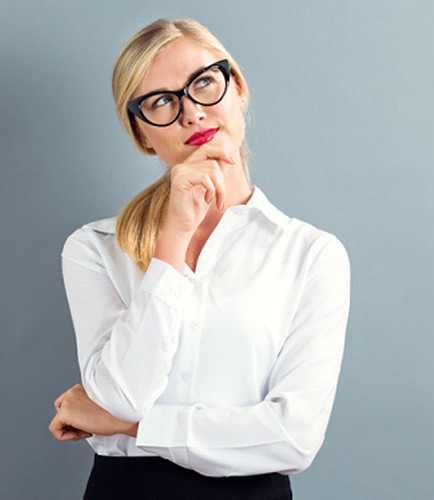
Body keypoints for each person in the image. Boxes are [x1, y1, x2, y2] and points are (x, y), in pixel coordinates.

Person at [48, 18, 350, 500]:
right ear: (141, 133)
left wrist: (128, 426)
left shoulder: (311, 255)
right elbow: (122, 393)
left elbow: (293, 439)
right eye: (161, 101)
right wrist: (172, 242)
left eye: (204, 82)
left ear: (239, 89)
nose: (191, 113)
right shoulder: (94, 248)